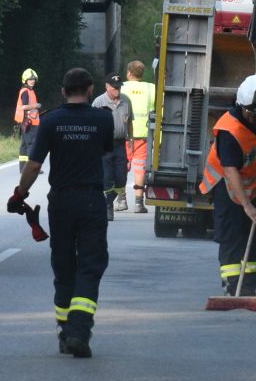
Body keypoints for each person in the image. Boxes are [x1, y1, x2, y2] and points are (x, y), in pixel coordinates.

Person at [9, 67, 114, 357]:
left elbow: (33, 165)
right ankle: (80, 331)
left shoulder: (51, 121)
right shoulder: (103, 119)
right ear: (91, 90)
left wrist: (20, 194)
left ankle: (65, 330)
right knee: (90, 265)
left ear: (63, 91)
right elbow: (106, 150)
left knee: (64, 265)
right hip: (92, 201)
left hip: (62, 203)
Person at [198, 74, 256, 296]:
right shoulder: (229, 131)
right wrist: (247, 207)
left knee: (250, 233)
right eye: (250, 112)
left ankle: (249, 287)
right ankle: (232, 287)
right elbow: (230, 171)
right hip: (227, 185)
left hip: (250, 185)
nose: (254, 117)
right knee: (232, 236)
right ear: (239, 104)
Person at [119, 60, 157, 213]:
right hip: (143, 134)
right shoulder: (151, 88)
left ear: (129, 73)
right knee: (140, 169)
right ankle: (138, 203)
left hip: (125, 134)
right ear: (142, 73)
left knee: (122, 167)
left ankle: (121, 200)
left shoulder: (121, 87)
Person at [91, 74, 131, 217]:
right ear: (107, 86)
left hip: (120, 144)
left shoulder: (126, 101)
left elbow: (129, 122)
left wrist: (130, 141)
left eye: (119, 87)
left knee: (121, 178)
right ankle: (108, 206)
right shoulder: (98, 102)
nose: (117, 91)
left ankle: (108, 200)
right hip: (104, 145)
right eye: (114, 88)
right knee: (107, 176)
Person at [14, 68, 42, 163]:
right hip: (28, 122)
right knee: (31, 144)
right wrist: (36, 105)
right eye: (30, 79)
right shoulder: (25, 91)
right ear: (25, 80)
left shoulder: (29, 91)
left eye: (34, 79)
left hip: (29, 121)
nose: (32, 81)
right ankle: (32, 167)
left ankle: (23, 168)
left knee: (25, 145)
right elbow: (24, 107)